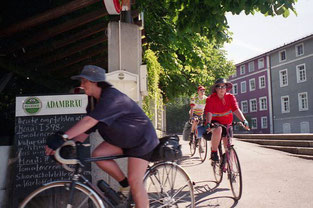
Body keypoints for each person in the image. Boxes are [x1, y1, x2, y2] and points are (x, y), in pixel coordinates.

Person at [45, 65, 159, 208]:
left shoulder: (112, 97)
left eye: (84, 81)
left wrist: (63, 137)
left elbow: (88, 121)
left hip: (141, 140)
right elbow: (87, 129)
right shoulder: (93, 101)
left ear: (94, 81)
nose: (81, 85)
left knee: (135, 181)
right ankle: (125, 185)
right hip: (123, 141)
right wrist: (68, 145)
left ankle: (132, 188)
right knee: (99, 155)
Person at [204, 78, 249, 161]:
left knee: (228, 145)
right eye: (219, 87)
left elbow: (236, 109)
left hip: (227, 123)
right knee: (218, 130)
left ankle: (229, 167)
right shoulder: (211, 99)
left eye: (223, 86)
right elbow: (209, 112)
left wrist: (244, 120)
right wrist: (208, 123)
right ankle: (214, 152)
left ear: (226, 88)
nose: (221, 89)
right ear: (216, 89)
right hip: (215, 122)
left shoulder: (230, 97)